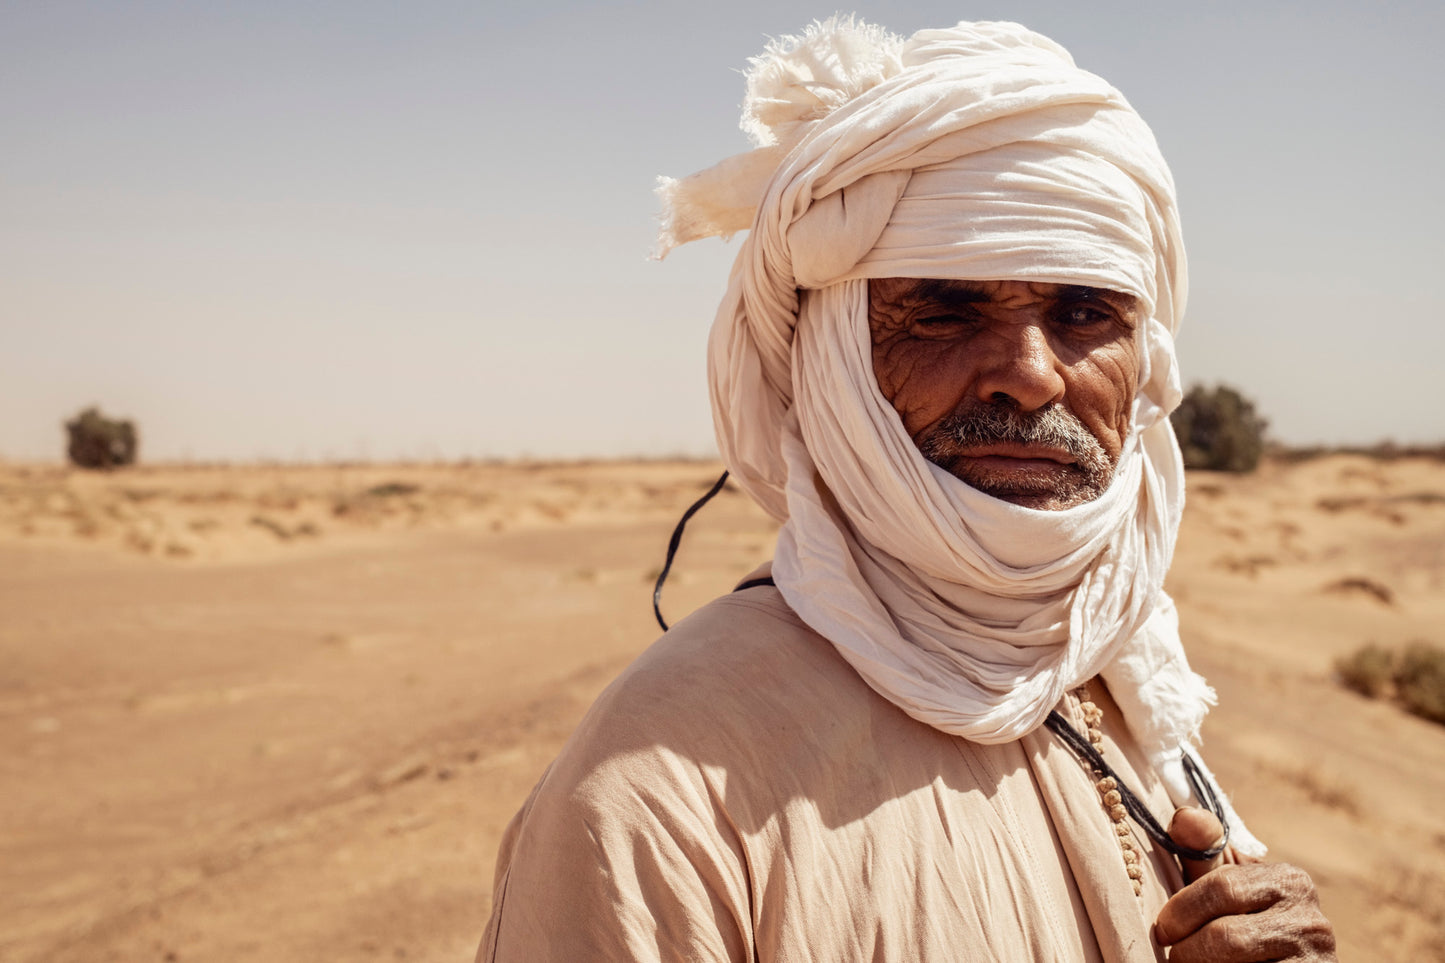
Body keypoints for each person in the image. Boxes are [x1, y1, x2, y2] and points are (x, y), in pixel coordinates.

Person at [478, 17, 1336, 962]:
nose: (1031, 375)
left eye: (1084, 312)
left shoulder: (1116, 665)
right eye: (944, 310)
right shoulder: (661, 791)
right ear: (833, 360)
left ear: (1144, 357)